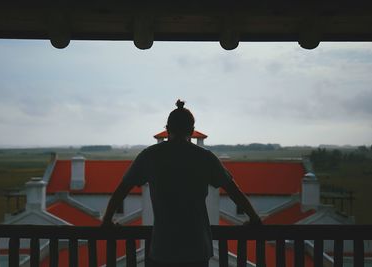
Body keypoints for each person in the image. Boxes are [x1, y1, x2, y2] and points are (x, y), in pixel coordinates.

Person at [102, 100, 261, 267]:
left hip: (163, 248)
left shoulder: (150, 156)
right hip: (197, 248)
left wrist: (107, 220)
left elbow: (123, 188)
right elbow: (233, 190)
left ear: (167, 129)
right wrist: (254, 218)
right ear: (191, 131)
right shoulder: (204, 157)